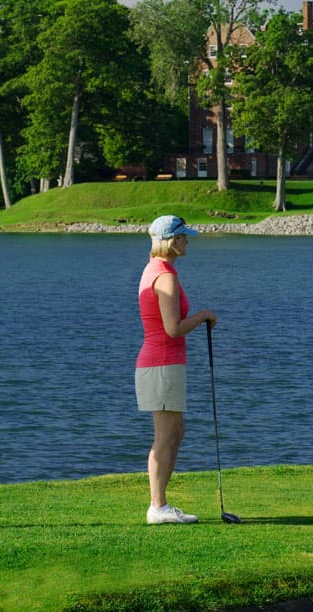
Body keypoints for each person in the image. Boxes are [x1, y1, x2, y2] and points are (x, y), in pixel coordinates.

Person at [136, 215, 218, 523]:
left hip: (161, 363)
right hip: (163, 362)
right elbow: (173, 328)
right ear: (172, 242)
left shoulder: (153, 269)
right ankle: (158, 506)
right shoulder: (165, 276)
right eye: (183, 237)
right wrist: (203, 316)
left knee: (174, 433)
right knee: (165, 437)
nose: (187, 241)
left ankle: (160, 504)